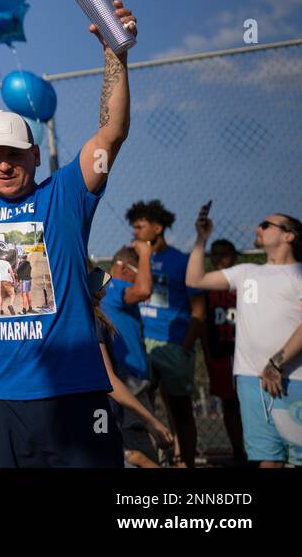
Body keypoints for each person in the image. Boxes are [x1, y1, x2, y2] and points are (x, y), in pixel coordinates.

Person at [0, 0, 138, 467]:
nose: (4, 165)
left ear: (36, 156)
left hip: (76, 391)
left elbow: (111, 133)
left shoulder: (64, 195)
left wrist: (114, 56)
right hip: (2, 398)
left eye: (15, 155)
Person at [187, 208, 302, 468]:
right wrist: (201, 238)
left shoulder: (299, 274)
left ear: (289, 236)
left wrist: (276, 363)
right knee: (266, 459)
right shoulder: (246, 272)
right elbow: (195, 278)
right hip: (251, 380)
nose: (257, 229)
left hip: (294, 379)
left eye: (265, 224)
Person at [127, 198, 204, 466]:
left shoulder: (181, 261)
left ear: (157, 228)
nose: (135, 232)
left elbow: (198, 310)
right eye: (133, 227)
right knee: (142, 409)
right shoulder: (130, 260)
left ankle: (186, 462)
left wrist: (185, 346)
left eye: (140, 226)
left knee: (181, 411)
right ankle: (154, 460)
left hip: (173, 345)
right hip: (140, 345)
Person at [93, 274, 175, 467]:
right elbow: (109, 380)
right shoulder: (90, 321)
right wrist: (151, 421)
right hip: (98, 411)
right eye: (98, 284)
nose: (105, 290)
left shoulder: (91, 318)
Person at [99, 243, 160, 466]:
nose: (144, 277)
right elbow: (144, 290)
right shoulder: (113, 286)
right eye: (140, 271)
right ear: (123, 268)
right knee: (139, 446)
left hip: (135, 379)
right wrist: (145, 253)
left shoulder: (115, 294)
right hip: (128, 382)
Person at [203, 238, 246, 466]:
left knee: (251, 402)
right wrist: (207, 353)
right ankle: (238, 450)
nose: (219, 259)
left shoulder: (247, 284)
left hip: (247, 353)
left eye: (224, 254)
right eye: (215, 254)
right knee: (229, 404)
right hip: (221, 353)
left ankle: (260, 450)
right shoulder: (208, 286)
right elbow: (202, 323)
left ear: (235, 257)